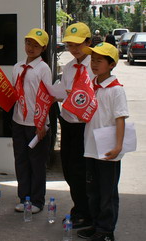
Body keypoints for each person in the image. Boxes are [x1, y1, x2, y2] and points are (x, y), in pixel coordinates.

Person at [76, 43, 128, 241]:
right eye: (93, 59)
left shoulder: (116, 90)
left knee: (107, 192)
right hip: (91, 147)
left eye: (99, 60)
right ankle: (96, 225)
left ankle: (106, 231)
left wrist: (118, 146)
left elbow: (120, 118)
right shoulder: (91, 86)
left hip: (108, 150)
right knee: (93, 191)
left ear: (111, 64)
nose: (94, 63)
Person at [55, 22, 94, 228]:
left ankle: (84, 212)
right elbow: (60, 91)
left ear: (88, 42)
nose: (74, 49)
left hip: (85, 125)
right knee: (69, 169)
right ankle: (79, 207)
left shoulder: (95, 65)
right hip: (68, 122)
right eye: (70, 45)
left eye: (78, 44)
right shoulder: (70, 67)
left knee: (82, 170)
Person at [11, 28, 52, 214]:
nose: (31, 47)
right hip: (19, 121)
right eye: (28, 43)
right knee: (21, 161)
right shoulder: (18, 67)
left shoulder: (43, 69)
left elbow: (46, 97)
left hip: (37, 124)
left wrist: (41, 124)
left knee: (37, 164)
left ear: (43, 48)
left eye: (36, 45)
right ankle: (24, 198)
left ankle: (37, 201)